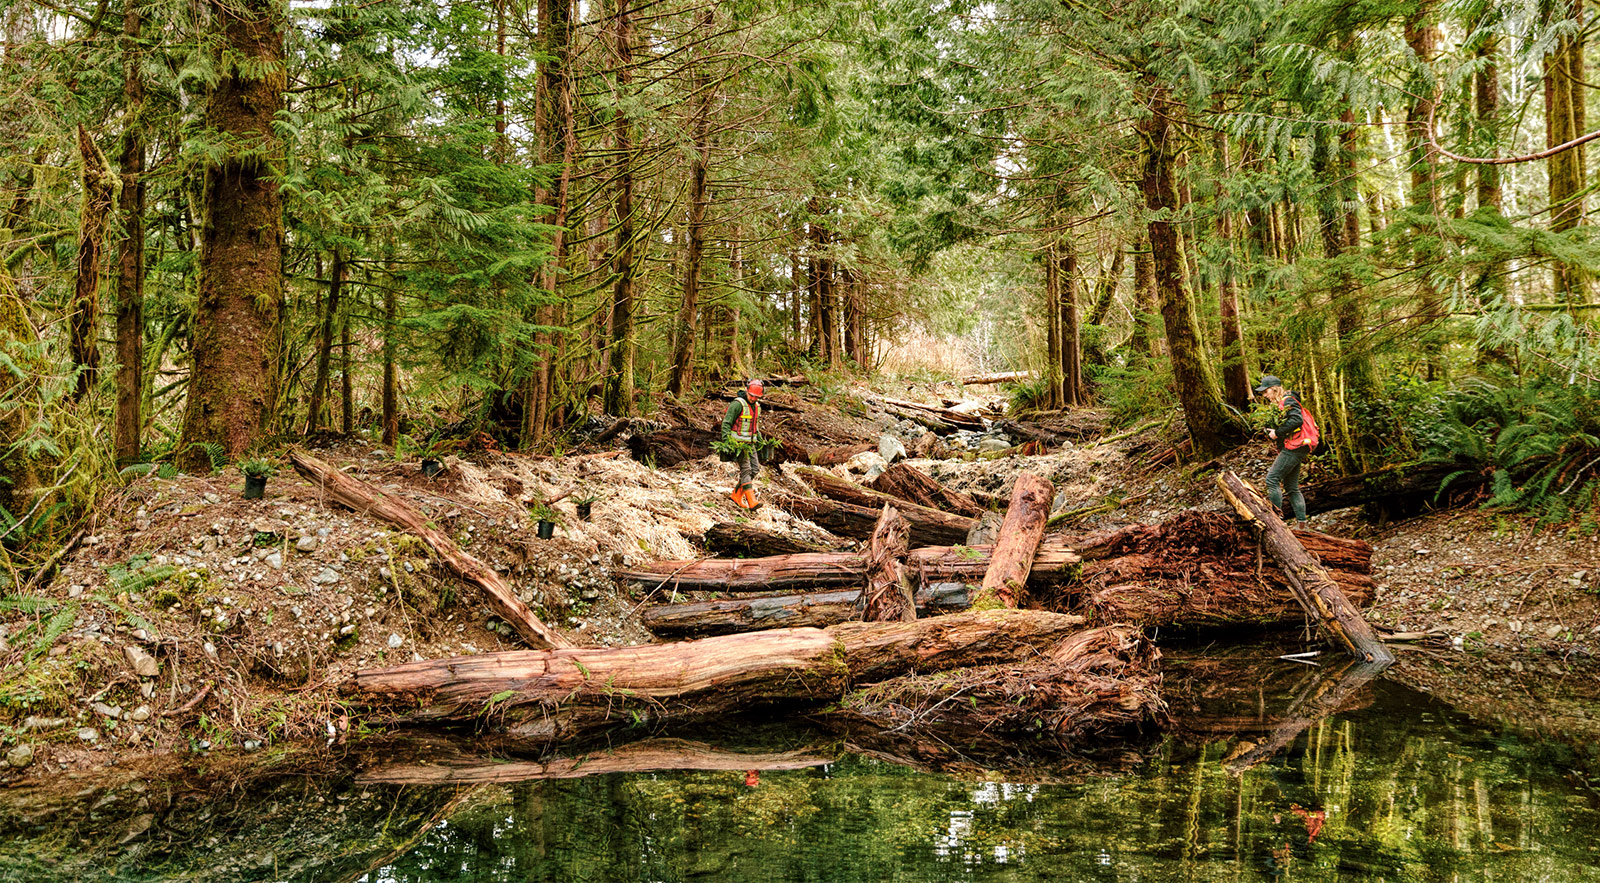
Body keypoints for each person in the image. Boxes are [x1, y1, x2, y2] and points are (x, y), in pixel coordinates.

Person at [1253, 375, 1319, 526]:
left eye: (1266, 391)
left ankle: (1276, 521)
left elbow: (1296, 420)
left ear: (1274, 389)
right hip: (1297, 446)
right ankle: (1302, 524)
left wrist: (1277, 432)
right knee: (1291, 487)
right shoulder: (1284, 402)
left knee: (1272, 479)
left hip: (1295, 446)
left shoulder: (1288, 400)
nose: (1265, 395)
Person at [720, 379, 764, 509]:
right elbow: (726, 423)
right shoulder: (737, 404)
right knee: (747, 469)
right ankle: (752, 502)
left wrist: (761, 440)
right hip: (738, 445)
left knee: (755, 469)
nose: (753, 398)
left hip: (750, 444)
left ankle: (736, 495)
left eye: (756, 397)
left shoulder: (757, 406)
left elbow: (755, 426)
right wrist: (727, 441)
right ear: (747, 390)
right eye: (751, 396)